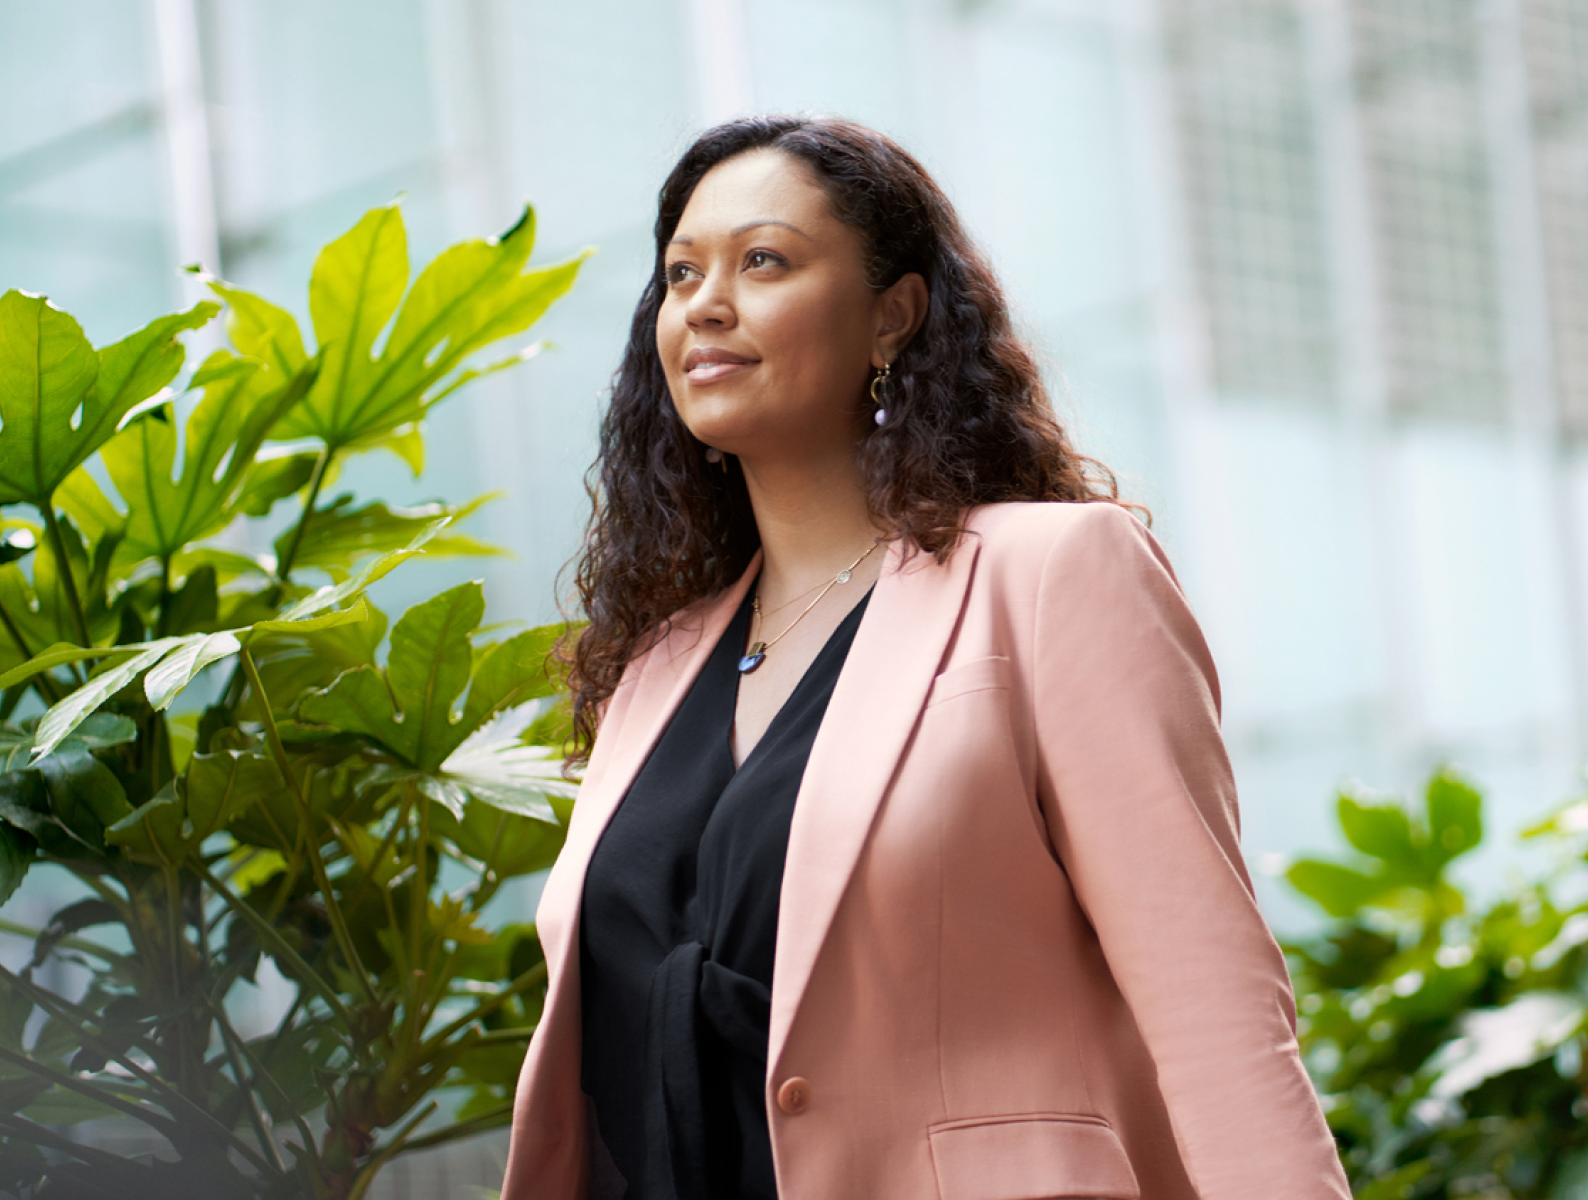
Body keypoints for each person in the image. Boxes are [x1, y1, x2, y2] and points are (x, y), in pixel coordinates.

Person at [501, 115, 1349, 1200]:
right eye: (678, 274)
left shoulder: (1052, 576)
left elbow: (1212, 1002)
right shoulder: (655, 666)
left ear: (892, 316)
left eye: (763, 260)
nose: (705, 302)